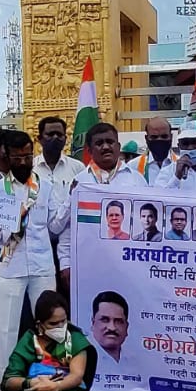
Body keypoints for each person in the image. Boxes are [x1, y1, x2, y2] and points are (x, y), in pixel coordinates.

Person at [0, 130, 68, 387]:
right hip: (10, 265)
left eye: (27, 156)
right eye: (17, 157)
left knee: (50, 324)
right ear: (7, 156)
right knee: (7, 329)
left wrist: (71, 200)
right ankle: (7, 385)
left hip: (42, 265)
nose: (23, 162)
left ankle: (51, 378)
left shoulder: (45, 187)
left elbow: (55, 227)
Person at [56, 122, 144, 291]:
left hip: (129, 266)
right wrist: (65, 263)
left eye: (110, 142)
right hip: (88, 265)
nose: (105, 147)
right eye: (99, 143)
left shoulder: (136, 180)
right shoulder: (80, 182)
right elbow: (68, 228)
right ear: (89, 150)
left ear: (118, 146)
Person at [34, 116, 84, 260]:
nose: (55, 138)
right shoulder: (31, 169)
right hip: (40, 246)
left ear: (65, 138)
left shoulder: (78, 168)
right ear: (39, 138)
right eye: (50, 134)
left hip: (70, 244)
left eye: (59, 134)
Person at [90, 290, 133, 366]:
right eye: (105, 320)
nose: (112, 328)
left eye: (118, 321)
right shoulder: (80, 360)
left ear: (126, 327)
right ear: (93, 323)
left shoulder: (135, 363)